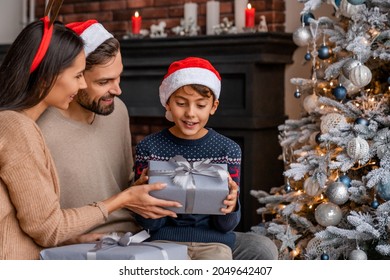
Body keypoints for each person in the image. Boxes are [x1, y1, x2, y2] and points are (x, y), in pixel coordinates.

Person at [37, 20, 279, 260]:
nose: (118, 90)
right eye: (104, 82)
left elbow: (129, 181)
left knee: (261, 248)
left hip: (139, 229)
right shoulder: (40, 128)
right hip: (104, 241)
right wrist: (71, 239)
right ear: (75, 76)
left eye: (118, 77)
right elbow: (37, 223)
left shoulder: (115, 110)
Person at [0, 18, 165, 260]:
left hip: (125, 239)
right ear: (49, 77)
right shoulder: (21, 127)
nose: (117, 90)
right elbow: (48, 229)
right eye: (79, 76)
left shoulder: (117, 112)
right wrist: (121, 200)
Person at [133, 57, 241, 260]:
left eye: (200, 105)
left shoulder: (228, 150)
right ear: (168, 103)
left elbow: (226, 225)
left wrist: (232, 205)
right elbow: (148, 224)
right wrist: (142, 198)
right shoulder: (149, 148)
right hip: (161, 241)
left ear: (213, 106)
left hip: (213, 244)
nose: (190, 113)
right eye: (181, 103)